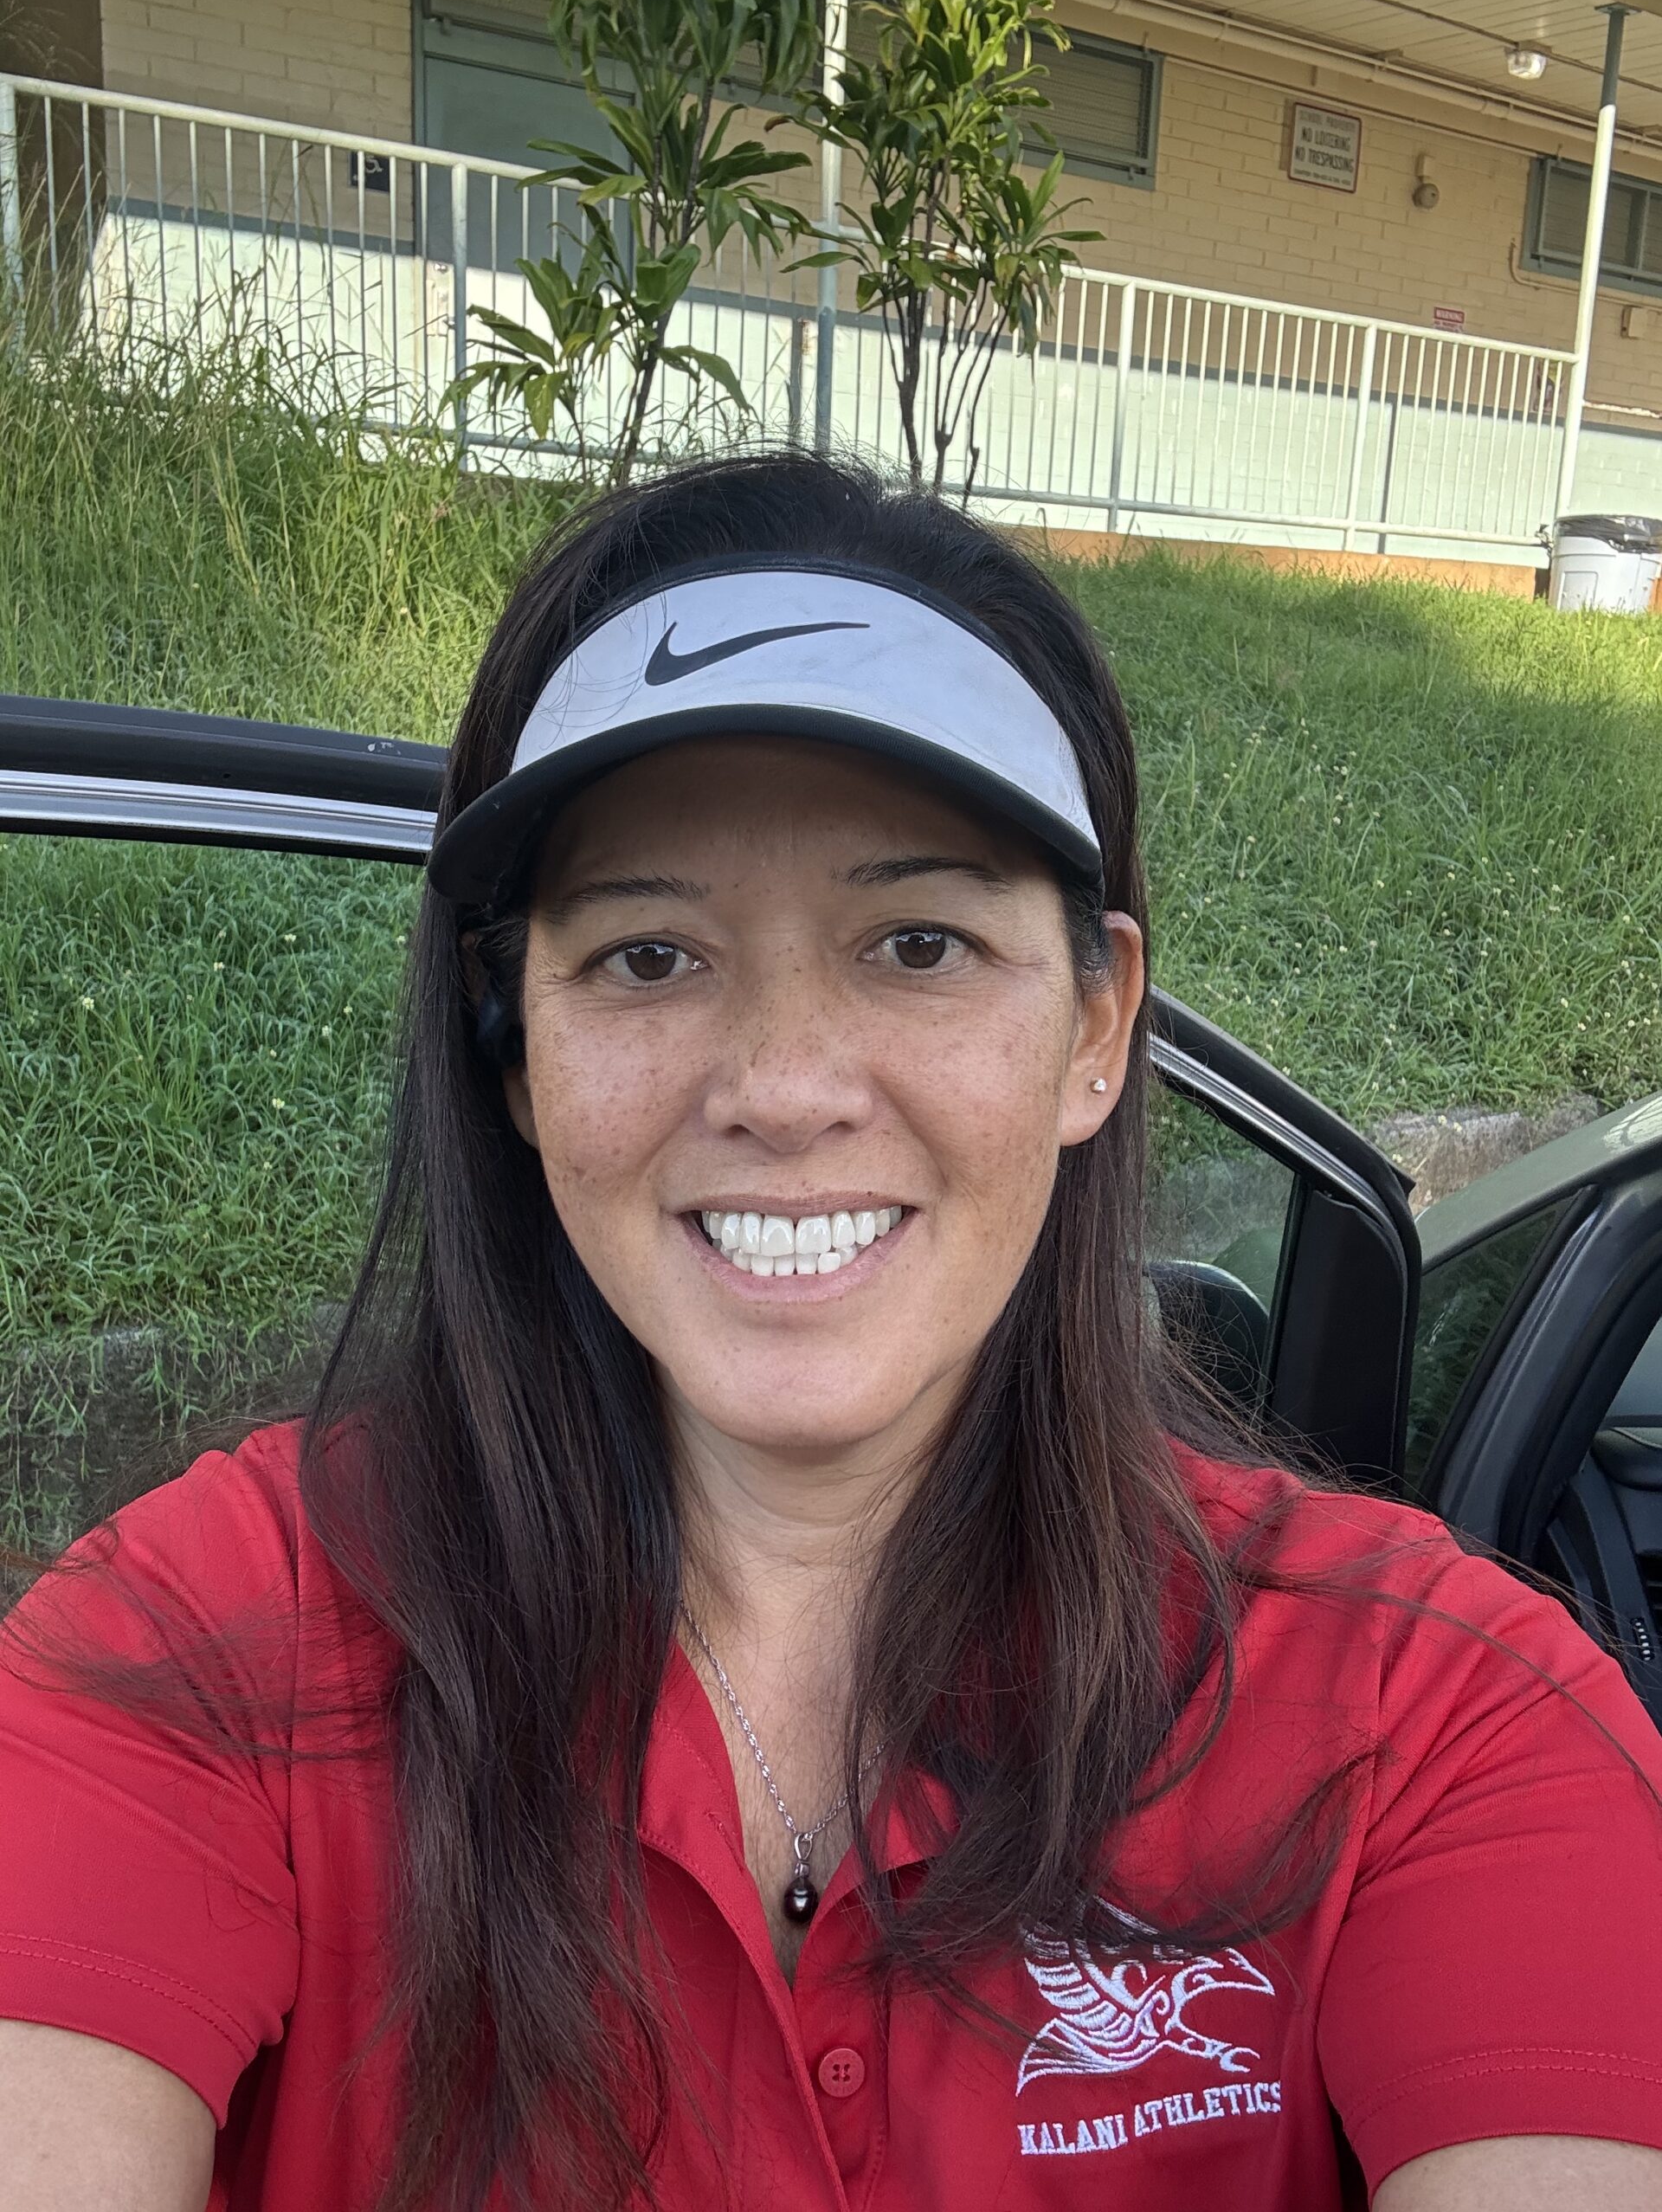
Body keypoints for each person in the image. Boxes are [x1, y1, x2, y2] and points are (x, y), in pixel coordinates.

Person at [2, 453, 1660, 2212]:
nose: (785, 1088)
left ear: (1097, 1027)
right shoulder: (199, 1649)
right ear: (517, 1051)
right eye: (649, 956)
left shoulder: (1430, 1716)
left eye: (919, 943)